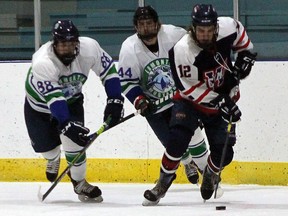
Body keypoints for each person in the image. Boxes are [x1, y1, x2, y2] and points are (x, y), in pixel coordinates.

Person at [143, 4, 256, 205]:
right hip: (190, 102)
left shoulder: (228, 27)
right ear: (193, 28)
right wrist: (219, 100)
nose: (205, 35)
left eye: (209, 30)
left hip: (221, 97)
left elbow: (242, 38)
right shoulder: (183, 50)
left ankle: (211, 174)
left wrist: (245, 55)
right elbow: (187, 89)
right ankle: (163, 181)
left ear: (216, 28)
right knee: (177, 140)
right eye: (200, 30)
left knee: (225, 153)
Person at [24, 20, 124, 202]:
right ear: (54, 43)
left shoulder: (90, 48)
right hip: (39, 107)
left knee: (76, 145)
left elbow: (109, 72)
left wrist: (115, 100)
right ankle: (53, 158)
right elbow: (55, 100)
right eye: (63, 45)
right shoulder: (43, 62)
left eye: (72, 44)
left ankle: (79, 183)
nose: (68, 49)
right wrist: (65, 124)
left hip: (72, 101)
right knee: (47, 149)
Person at [118, 5, 209, 186]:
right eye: (141, 24)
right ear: (136, 27)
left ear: (157, 24)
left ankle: (207, 172)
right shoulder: (129, 48)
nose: (146, 27)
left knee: (192, 135)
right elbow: (128, 82)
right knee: (172, 144)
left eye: (149, 23)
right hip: (155, 107)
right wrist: (140, 101)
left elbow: (194, 50)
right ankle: (187, 162)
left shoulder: (174, 35)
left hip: (180, 99)